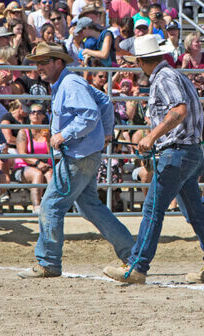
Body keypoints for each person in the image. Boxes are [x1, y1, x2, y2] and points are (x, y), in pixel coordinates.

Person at [104, 35, 204, 284]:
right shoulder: (176, 75)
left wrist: (151, 136)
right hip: (190, 152)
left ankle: (136, 267)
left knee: (152, 210)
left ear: (141, 61)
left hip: (177, 152)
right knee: (195, 212)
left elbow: (179, 110)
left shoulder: (163, 78)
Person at [18, 43, 135, 279]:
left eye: (44, 62)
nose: (39, 67)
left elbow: (90, 113)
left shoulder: (70, 84)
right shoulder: (69, 82)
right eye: (37, 63)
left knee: (51, 205)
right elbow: (102, 102)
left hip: (78, 155)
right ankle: (133, 254)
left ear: (58, 62)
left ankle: (48, 262)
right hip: (85, 153)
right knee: (90, 206)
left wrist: (64, 134)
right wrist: (106, 132)